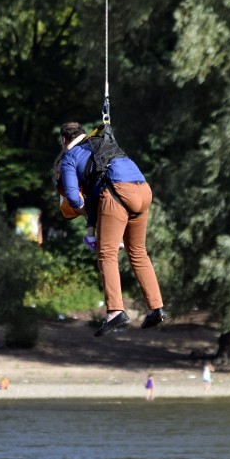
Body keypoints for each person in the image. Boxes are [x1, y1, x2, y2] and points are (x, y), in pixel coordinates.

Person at [54, 121, 166, 337]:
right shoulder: (102, 142)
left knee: (106, 253)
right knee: (138, 252)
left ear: (64, 140)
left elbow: (72, 196)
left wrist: (85, 213)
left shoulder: (69, 156)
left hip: (117, 192)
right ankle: (156, 308)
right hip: (143, 190)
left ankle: (115, 311)